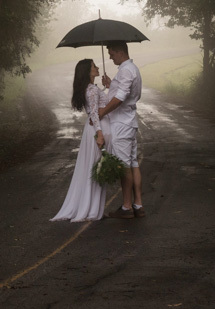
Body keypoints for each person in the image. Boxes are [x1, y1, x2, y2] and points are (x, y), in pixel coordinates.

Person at [50, 58, 112, 222]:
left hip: (93, 129)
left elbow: (97, 107)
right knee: (97, 168)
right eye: (94, 66)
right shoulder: (91, 90)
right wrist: (99, 133)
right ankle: (92, 209)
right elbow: (94, 113)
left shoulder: (92, 88)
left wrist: (107, 88)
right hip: (96, 130)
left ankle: (94, 208)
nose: (97, 67)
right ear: (87, 72)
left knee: (95, 168)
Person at [98, 41, 144, 218]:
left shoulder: (125, 70)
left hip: (121, 123)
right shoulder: (132, 69)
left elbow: (120, 97)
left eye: (111, 53)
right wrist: (111, 84)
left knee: (124, 165)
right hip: (129, 121)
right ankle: (138, 204)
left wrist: (103, 111)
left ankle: (126, 207)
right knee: (133, 163)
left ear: (120, 52)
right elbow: (127, 92)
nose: (109, 56)